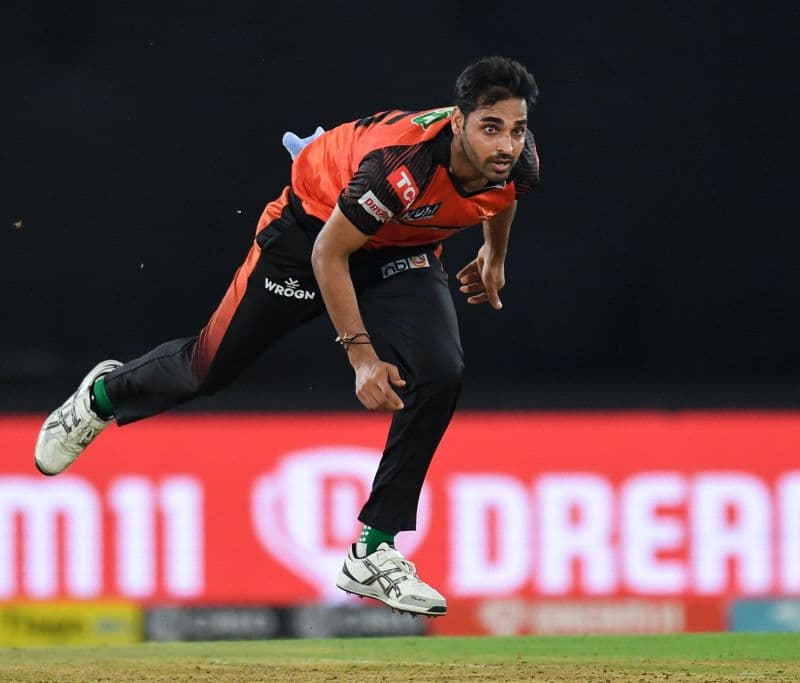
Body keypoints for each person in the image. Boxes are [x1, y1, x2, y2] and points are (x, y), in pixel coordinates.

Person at [33, 56, 540, 617]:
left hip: (399, 249)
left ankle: (373, 552)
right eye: (490, 128)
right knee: (206, 370)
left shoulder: (517, 160)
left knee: (441, 374)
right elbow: (331, 252)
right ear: (459, 122)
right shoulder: (404, 167)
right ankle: (101, 398)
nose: (505, 145)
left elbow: (502, 197)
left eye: (516, 130)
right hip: (310, 236)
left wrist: (493, 255)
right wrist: (363, 356)